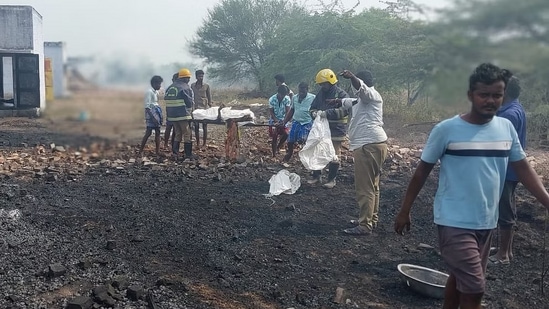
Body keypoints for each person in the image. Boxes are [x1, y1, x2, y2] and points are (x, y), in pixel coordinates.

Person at [394, 63, 549, 309]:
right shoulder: (447, 130)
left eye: (497, 95)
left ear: (503, 96)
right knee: (475, 286)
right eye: (484, 94)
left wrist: (546, 200)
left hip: (487, 221)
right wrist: (405, 210)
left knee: (459, 279)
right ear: (470, 95)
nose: (491, 100)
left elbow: (522, 167)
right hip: (453, 220)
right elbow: (422, 171)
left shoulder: (506, 127)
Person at [327, 70, 388, 235]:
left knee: (364, 187)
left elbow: (361, 90)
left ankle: (364, 225)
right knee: (373, 186)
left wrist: (352, 77)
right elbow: (351, 102)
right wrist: (338, 101)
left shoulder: (371, 94)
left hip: (368, 146)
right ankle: (370, 219)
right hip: (374, 144)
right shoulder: (362, 99)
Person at [490, 76, 527, 265]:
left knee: (504, 211)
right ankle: (506, 250)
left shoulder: (509, 115)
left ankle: (503, 254)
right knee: (505, 208)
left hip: (505, 170)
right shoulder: (513, 109)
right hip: (509, 170)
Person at [308, 68, 349, 189]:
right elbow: (312, 107)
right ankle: (316, 176)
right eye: (321, 84)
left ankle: (331, 180)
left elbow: (345, 110)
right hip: (321, 129)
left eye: (324, 84)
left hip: (336, 129)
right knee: (317, 152)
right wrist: (314, 113)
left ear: (331, 82)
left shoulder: (341, 94)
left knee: (334, 155)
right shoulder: (320, 94)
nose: (322, 86)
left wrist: (328, 113)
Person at [164, 68, 195, 160]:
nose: (189, 80)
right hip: (182, 114)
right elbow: (189, 102)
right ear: (184, 78)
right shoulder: (185, 87)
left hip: (172, 116)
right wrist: (190, 112)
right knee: (187, 133)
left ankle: (175, 153)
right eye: (188, 78)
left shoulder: (170, 87)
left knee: (178, 133)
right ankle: (188, 154)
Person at [282, 82, 315, 162]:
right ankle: (289, 153)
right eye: (300, 91)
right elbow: (292, 110)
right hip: (296, 121)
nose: (301, 93)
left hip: (306, 122)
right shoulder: (294, 98)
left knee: (302, 139)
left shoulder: (313, 98)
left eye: (303, 92)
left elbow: (316, 109)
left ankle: (306, 157)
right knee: (290, 140)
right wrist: (284, 121)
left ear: (307, 90)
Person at [138, 75, 164, 157]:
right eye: (159, 84)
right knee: (148, 132)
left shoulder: (155, 92)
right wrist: (154, 118)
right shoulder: (149, 92)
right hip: (151, 114)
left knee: (158, 132)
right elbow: (147, 107)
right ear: (154, 83)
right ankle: (140, 151)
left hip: (156, 112)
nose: (160, 86)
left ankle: (157, 151)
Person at [191, 69, 212, 148]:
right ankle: (197, 142)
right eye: (199, 76)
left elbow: (209, 98)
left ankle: (204, 143)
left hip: (204, 108)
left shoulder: (206, 86)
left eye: (202, 76)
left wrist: (211, 107)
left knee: (204, 125)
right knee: (196, 126)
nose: (201, 77)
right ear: (196, 77)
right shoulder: (192, 86)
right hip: (195, 108)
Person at [268, 85, 291, 157]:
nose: (283, 96)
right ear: (278, 93)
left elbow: (288, 111)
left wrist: (284, 121)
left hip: (284, 119)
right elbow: (271, 112)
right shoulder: (272, 99)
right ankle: (274, 154)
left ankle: (278, 146)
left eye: (284, 95)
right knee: (274, 136)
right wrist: (276, 121)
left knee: (286, 134)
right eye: (282, 95)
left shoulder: (287, 99)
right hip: (274, 119)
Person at [163, 73, 178, 150]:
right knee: (169, 127)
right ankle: (166, 144)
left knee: (174, 128)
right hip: (171, 110)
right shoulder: (170, 88)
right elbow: (165, 98)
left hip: (172, 110)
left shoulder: (171, 88)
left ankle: (171, 144)